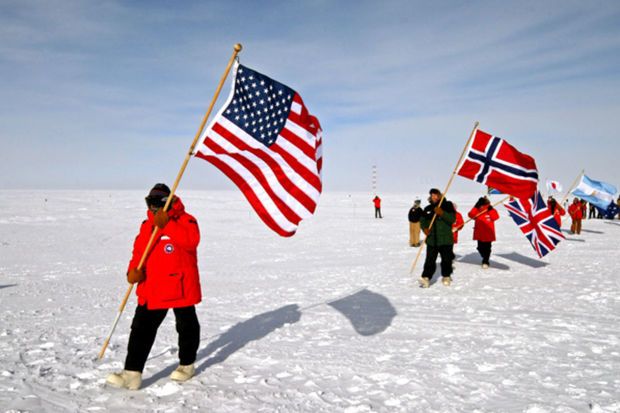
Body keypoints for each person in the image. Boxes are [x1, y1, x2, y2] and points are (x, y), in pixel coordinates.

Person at [106, 183, 202, 390]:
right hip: (153, 286)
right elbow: (139, 251)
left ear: (168, 202)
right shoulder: (147, 225)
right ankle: (132, 373)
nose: (153, 207)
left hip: (181, 285)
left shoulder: (186, 220)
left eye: (157, 202)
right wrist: (133, 271)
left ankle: (187, 365)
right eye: (149, 202)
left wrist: (168, 224)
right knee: (141, 328)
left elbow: (191, 241)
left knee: (186, 326)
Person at [419, 188, 456, 288]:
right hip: (432, 239)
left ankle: (446, 276)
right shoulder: (427, 209)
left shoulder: (448, 206)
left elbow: (452, 220)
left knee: (446, 260)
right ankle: (426, 277)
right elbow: (423, 221)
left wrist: (442, 213)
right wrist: (425, 229)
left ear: (440, 195)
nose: (434, 197)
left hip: (446, 239)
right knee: (430, 260)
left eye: (436, 195)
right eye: (432, 195)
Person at [468, 196, 499, 269]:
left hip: (488, 233)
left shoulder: (490, 209)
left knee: (487, 248)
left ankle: (485, 261)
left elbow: (495, 217)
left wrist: (491, 210)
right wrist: (476, 206)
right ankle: (484, 256)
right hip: (479, 233)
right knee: (480, 247)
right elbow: (471, 215)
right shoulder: (478, 210)